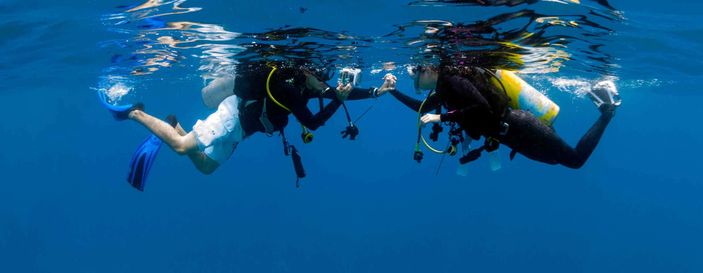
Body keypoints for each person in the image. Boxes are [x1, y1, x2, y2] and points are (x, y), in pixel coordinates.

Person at [100, 61, 395, 189]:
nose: (324, 86)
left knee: (205, 167)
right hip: (233, 114)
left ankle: (173, 126)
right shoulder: (289, 88)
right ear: (307, 73)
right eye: (321, 79)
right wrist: (337, 100)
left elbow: (337, 94)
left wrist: (375, 91)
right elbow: (313, 122)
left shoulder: (309, 85)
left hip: (242, 129)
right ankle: (133, 113)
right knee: (181, 148)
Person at [380, 65, 620, 169]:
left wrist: (439, 119)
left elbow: (482, 109)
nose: (416, 82)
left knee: (574, 160)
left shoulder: (453, 80)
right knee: (556, 159)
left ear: (430, 69)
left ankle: (607, 109)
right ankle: (600, 96)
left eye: (416, 76)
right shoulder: (443, 90)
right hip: (512, 135)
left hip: (519, 126)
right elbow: (420, 107)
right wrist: (391, 92)